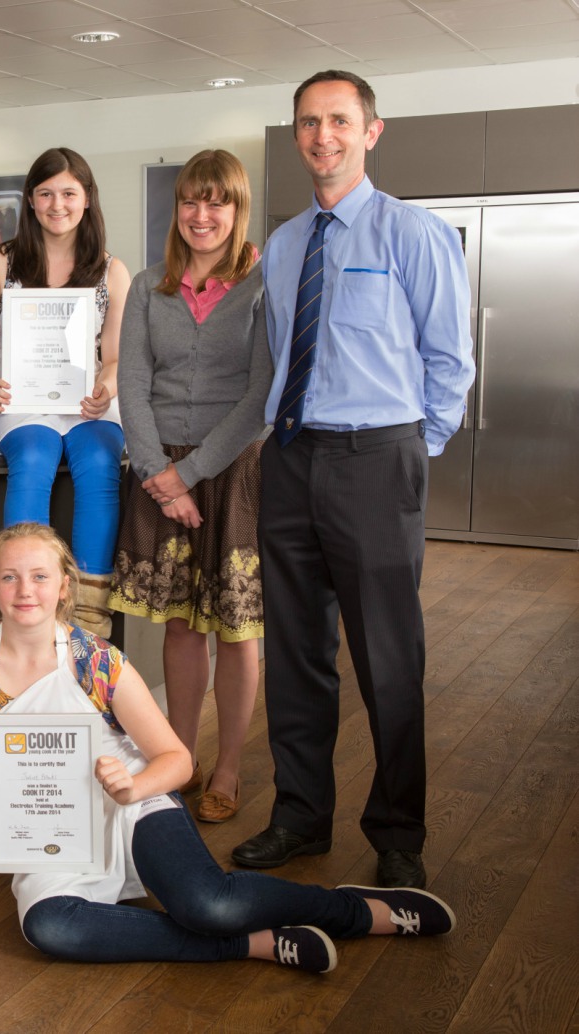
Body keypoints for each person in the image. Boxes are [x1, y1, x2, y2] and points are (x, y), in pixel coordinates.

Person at [0, 523, 456, 971]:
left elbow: (178, 760)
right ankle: (254, 945)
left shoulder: (96, 660)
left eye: (40, 576)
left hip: (132, 802)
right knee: (50, 927)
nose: (26, 590)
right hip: (51, 822)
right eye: (10, 576)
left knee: (208, 905)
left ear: (64, 587)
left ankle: (355, 911)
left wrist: (131, 785)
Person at [234, 71, 475, 890]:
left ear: (371, 131)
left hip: (377, 458)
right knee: (298, 654)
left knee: (387, 655)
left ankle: (398, 829)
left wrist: (410, 451)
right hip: (293, 459)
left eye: (339, 121)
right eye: (308, 122)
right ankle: (300, 817)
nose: (322, 136)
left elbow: (450, 361)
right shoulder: (291, 241)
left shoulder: (414, 233)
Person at [110, 150, 273, 824]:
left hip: (232, 470)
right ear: (177, 208)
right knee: (180, 625)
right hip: (160, 471)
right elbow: (132, 384)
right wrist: (158, 474)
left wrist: (191, 474)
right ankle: (180, 755)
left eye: (218, 202)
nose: (202, 215)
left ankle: (227, 766)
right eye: (191, 201)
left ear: (237, 210)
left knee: (236, 630)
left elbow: (261, 394)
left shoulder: (263, 286)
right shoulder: (150, 286)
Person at [0, 147, 130, 638]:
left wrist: (106, 388)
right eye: (45, 194)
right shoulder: (1, 262)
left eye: (68, 193)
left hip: (85, 404)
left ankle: (88, 614)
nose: (56, 204)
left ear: (87, 200)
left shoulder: (111, 270)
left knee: (101, 459)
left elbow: (115, 358)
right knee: (37, 453)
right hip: (15, 402)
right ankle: (22, 603)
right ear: (31, 201)